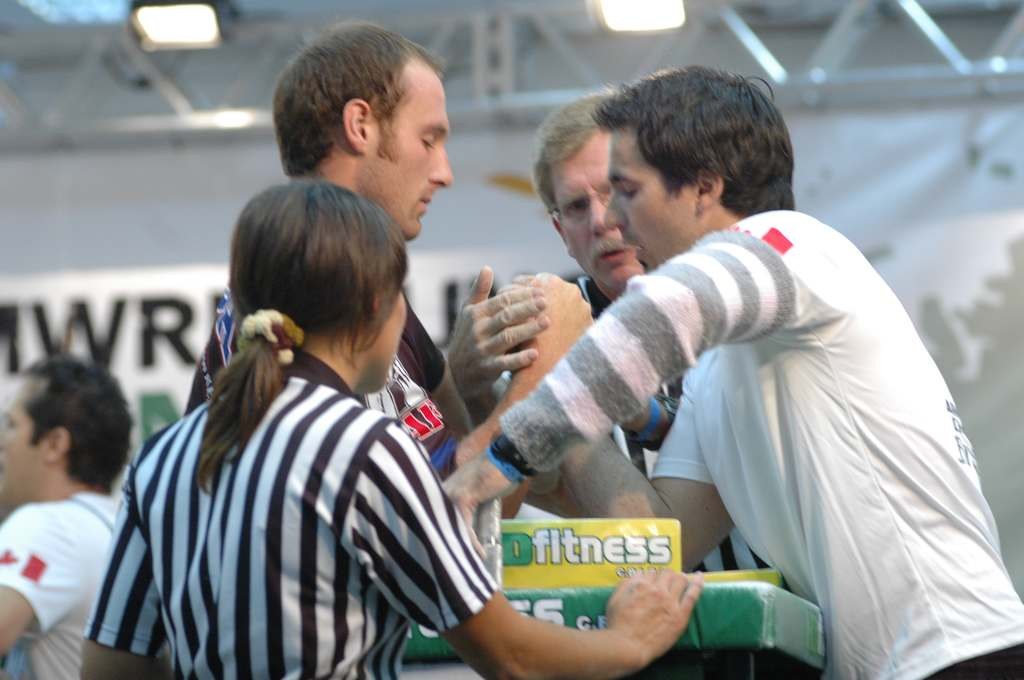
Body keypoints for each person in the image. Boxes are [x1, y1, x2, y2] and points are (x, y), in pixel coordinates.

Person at [446, 67, 1024, 679]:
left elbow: (666, 310)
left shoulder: (792, 244)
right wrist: (562, 383)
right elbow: (662, 540)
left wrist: (500, 461)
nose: (612, 216)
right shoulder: (720, 361)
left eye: (627, 190)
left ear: (702, 187)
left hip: (959, 655)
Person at [80, 181, 702, 680]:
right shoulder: (366, 450)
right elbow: (508, 655)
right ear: (379, 308)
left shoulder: (162, 455)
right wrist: (628, 643)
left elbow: (111, 664)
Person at [186, 22, 549, 476]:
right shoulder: (311, 297)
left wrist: (467, 379)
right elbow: (451, 500)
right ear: (360, 126)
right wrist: (544, 371)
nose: (444, 172)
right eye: (428, 139)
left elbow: (463, 477)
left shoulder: (356, 284)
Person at [524, 93, 768, 572]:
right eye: (576, 206)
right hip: (621, 628)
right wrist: (467, 385)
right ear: (560, 231)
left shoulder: (742, 295)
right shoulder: (548, 330)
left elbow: (671, 539)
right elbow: (540, 490)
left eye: (616, 192)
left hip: (773, 622)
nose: (601, 221)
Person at [0, 356, 129, 680]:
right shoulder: (117, 524)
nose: (2, 441)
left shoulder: (49, 526)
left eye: (12, 425)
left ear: (55, 444)